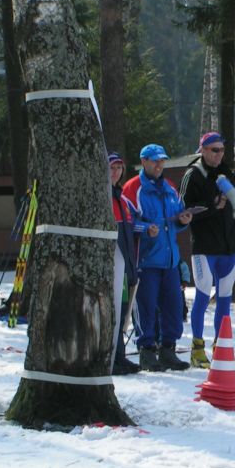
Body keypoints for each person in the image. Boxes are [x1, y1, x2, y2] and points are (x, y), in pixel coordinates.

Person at [179, 132, 235, 369]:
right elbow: (186, 212)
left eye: (221, 150)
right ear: (202, 150)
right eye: (214, 150)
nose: (219, 154)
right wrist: (213, 207)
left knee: (224, 300)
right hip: (204, 248)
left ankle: (221, 349)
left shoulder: (227, 173)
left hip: (228, 247)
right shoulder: (192, 175)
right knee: (202, 296)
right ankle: (197, 349)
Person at [122, 144, 193, 372]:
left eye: (162, 160)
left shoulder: (171, 188)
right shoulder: (133, 189)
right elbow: (126, 223)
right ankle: (146, 351)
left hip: (170, 260)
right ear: (143, 161)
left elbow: (174, 223)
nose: (159, 164)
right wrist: (144, 228)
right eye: (154, 160)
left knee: (173, 306)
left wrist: (183, 220)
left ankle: (168, 349)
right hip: (145, 261)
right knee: (146, 307)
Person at [109, 152, 140, 375]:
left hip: (127, 264)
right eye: (112, 167)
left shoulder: (122, 199)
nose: (116, 172)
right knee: (113, 312)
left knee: (122, 312)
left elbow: (131, 229)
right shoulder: (103, 197)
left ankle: (120, 355)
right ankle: (112, 358)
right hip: (112, 265)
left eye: (119, 168)